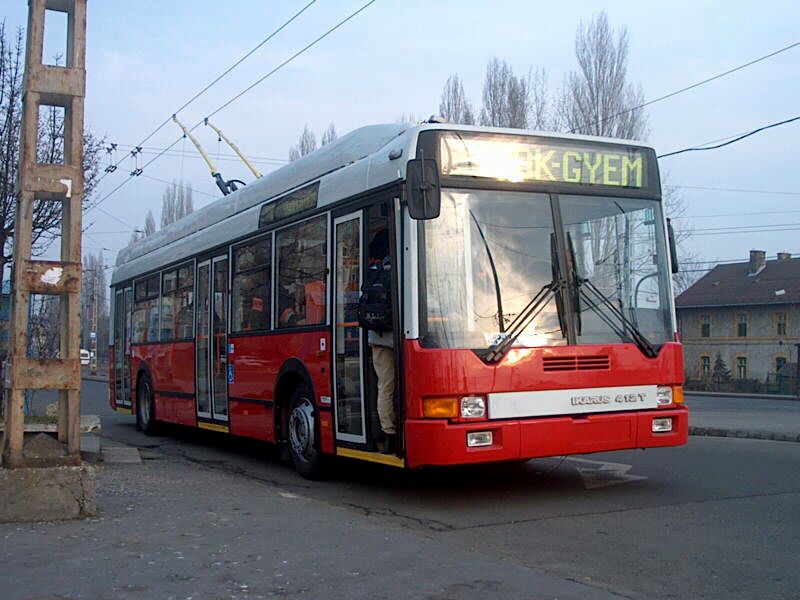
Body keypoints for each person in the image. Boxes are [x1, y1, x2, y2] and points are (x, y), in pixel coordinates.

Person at [364, 229, 396, 453]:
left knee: (385, 385)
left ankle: (388, 433)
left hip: (376, 336)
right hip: (398, 337)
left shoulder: (372, 270)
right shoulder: (397, 266)